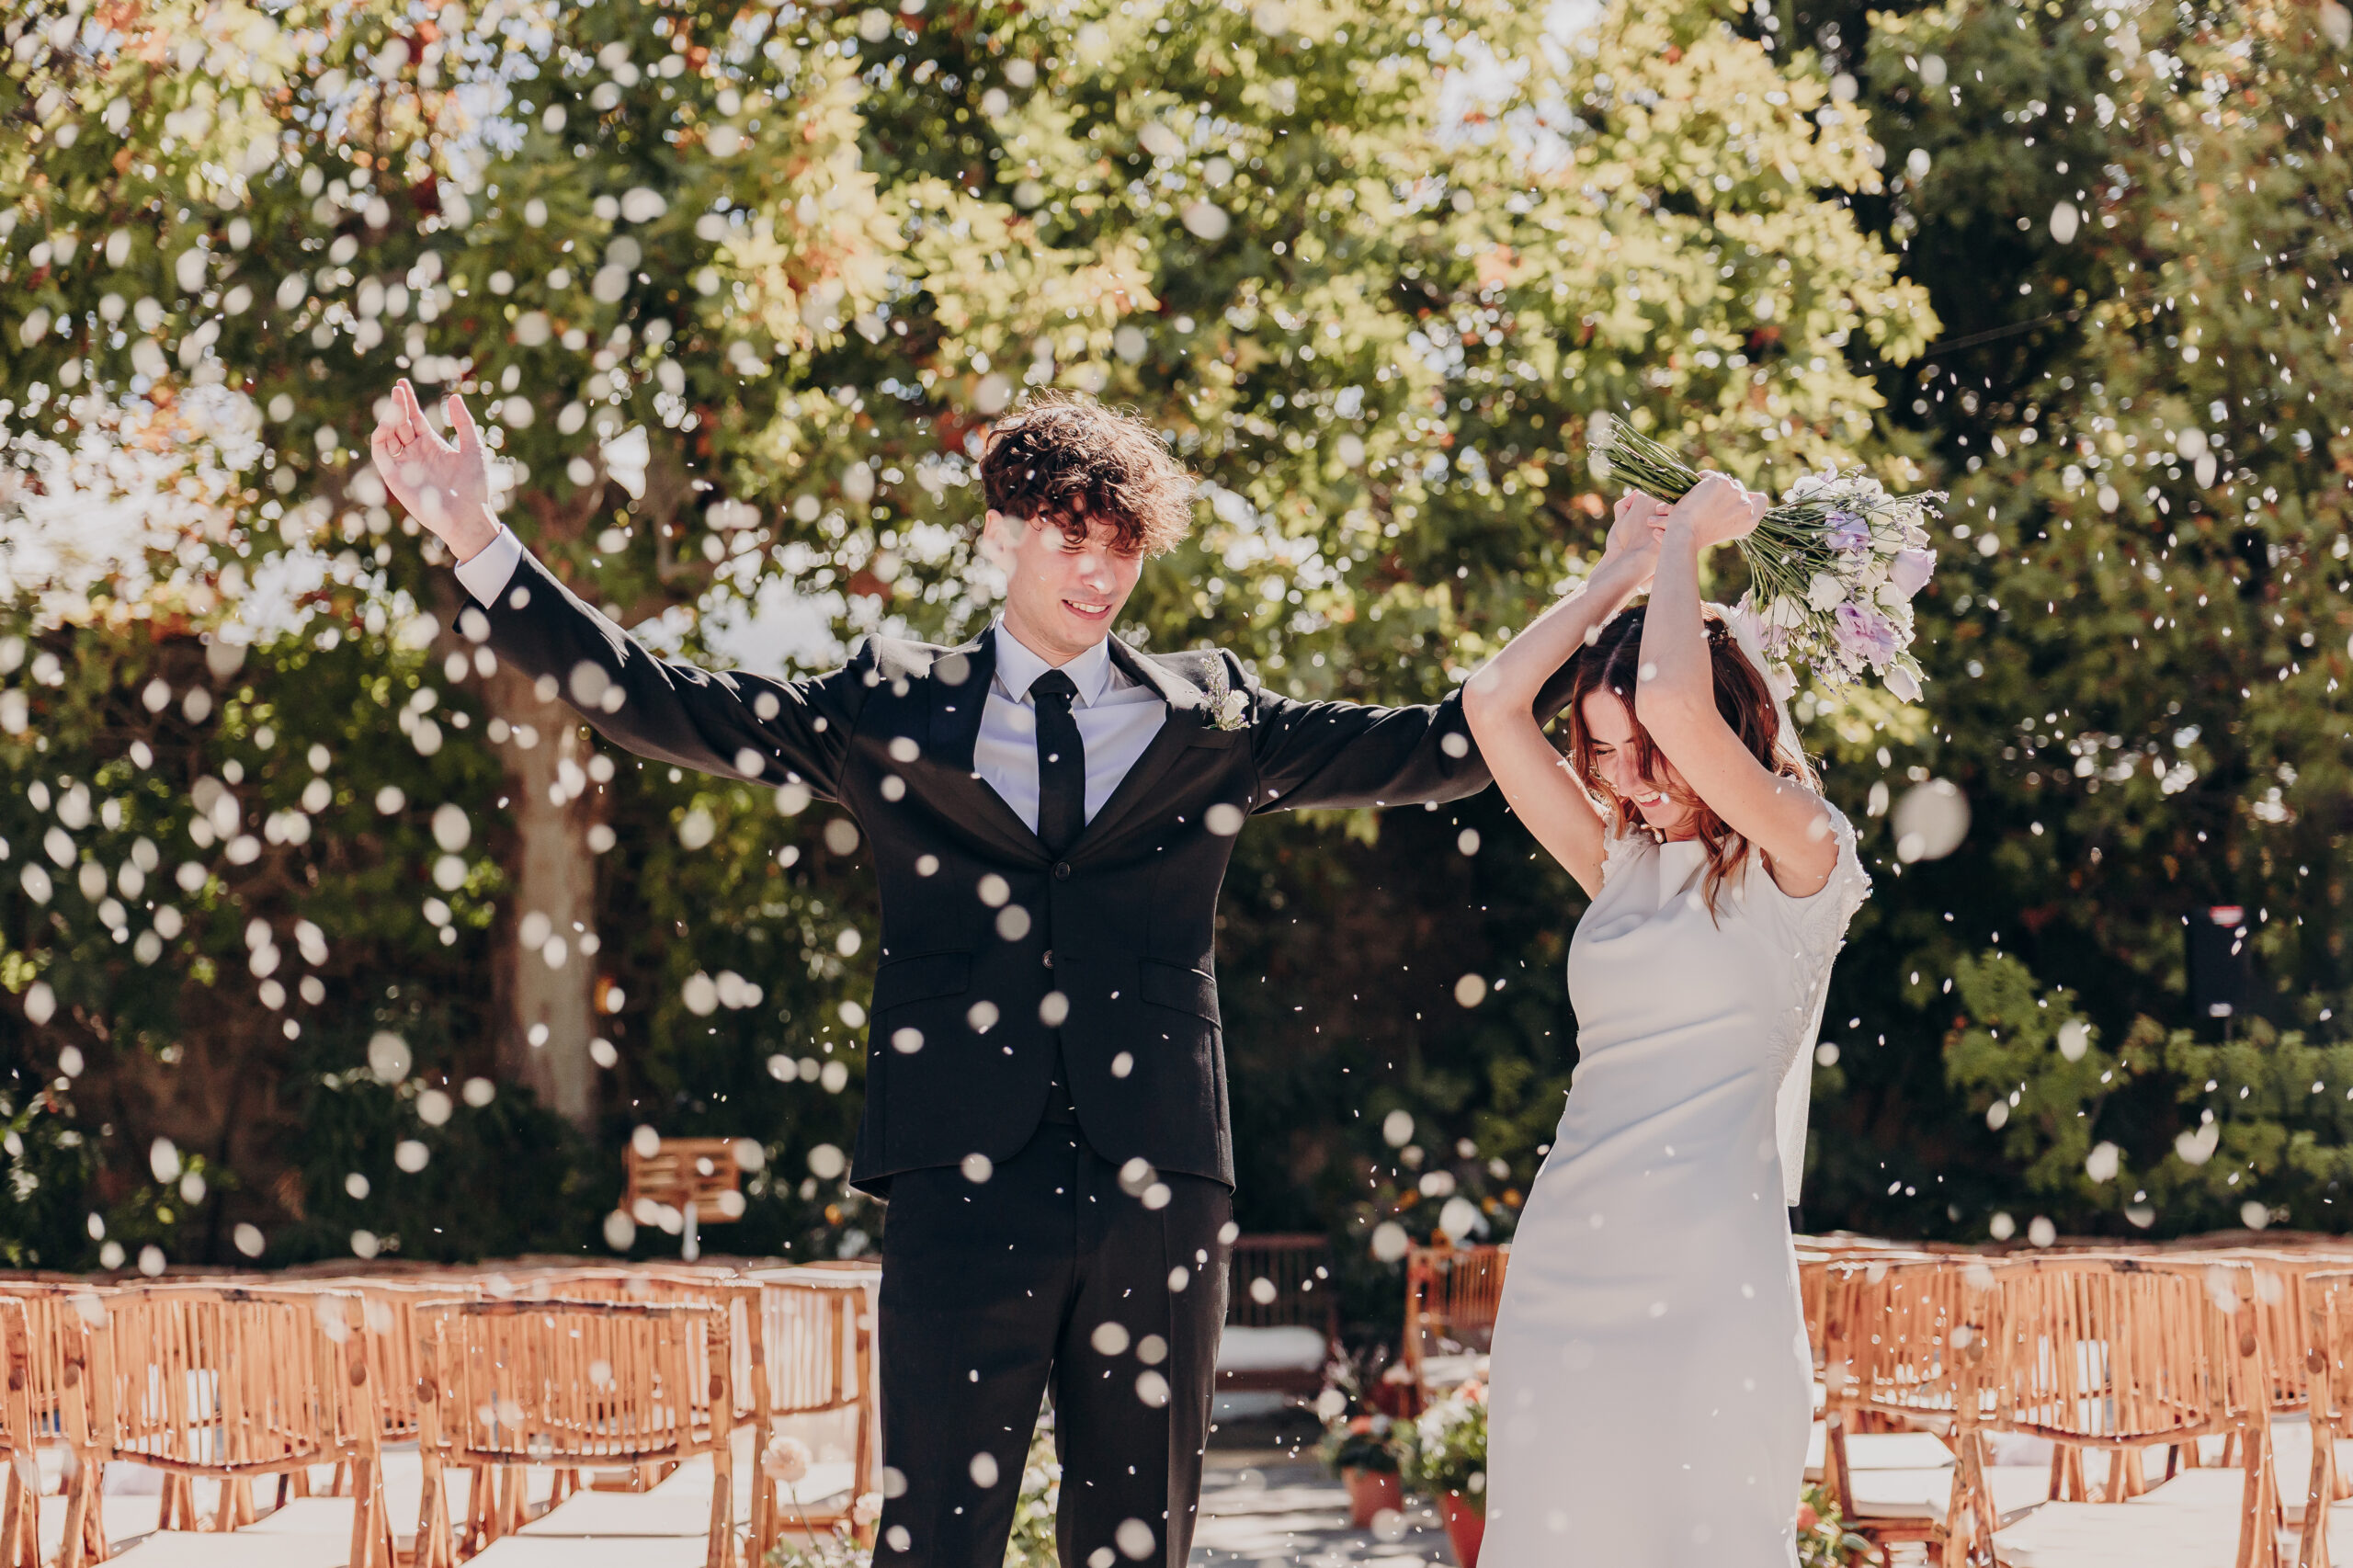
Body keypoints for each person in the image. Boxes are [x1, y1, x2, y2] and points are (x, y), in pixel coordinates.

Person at [368, 381, 1528, 1568]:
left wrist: (1603, 599)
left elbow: (1442, 744)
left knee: (1139, 1548)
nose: (1101, 572)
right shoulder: (889, 706)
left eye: (1122, 547)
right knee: (935, 1543)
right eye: (1072, 537)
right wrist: (475, 536)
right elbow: (662, 703)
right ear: (1001, 531)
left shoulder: (1212, 714)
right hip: (961, 1182)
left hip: (1159, 1185)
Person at [1461, 475, 1872, 1564]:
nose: (1626, 780)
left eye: (1642, 750)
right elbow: (1494, 702)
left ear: (1734, 724)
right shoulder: (1618, 863)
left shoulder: (1803, 851)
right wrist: (1617, 577)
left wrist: (1688, 537)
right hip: (1565, 1262)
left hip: (1709, 1277)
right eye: (1601, 751)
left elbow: (1677, 702)